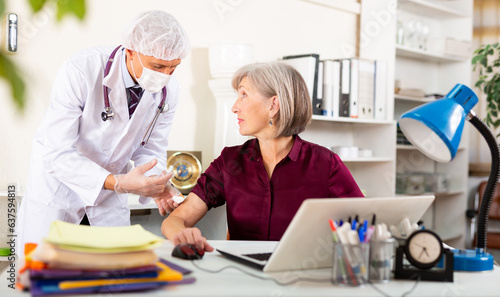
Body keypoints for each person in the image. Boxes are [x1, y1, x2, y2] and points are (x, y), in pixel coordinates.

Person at [16, 10, 189, 256]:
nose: (165, 76)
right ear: (130, 51)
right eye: (158, 66)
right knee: (48, 279)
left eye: (174, 67)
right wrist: (117, 182)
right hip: (59, 190)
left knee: (113, 278)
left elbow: (150, 148)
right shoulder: (82, 70)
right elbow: (57, 153)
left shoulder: (169, 91)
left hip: (110, 198)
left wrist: (157, 184)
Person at [161, 62, 364, 252]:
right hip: (243, 278)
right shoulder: (230, 161)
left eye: (244, 95)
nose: (234, 107)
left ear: (273, 105)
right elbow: (176, 219)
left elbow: (364, 225)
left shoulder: (326, 164)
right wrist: (182, 234)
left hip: (301, 282)